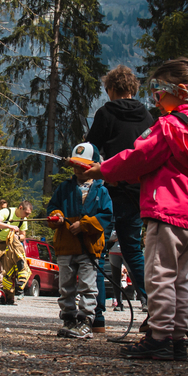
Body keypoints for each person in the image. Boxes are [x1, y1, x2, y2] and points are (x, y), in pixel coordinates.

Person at [83, 56, 188, 360]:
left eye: (159, 89)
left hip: (166, 213)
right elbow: (156, 166)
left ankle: (158, 337)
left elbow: (137, 156)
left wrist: (100, 170)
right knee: (180, 279)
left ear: (181, 91)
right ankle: (175, 338)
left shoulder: (170, 126)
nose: (155, 98)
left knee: (159, 274)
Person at [87, 64, 155, 312]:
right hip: (136, 193)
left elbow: (90, 150)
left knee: (97, 250)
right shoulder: (148, 117)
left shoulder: (106, 113)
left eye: (107, 89)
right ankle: (149, 302)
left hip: (108, 190)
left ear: (113, 88)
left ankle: (96, 311)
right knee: (132, 250)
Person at [47, 142, 114, 339]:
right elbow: (52, 208)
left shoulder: (102, 191)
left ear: (94, 167)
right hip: (65, 246)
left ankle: (85, 321)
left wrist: (85, 225)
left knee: (87, 285)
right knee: (65, 285)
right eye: (76, 165)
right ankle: (69, 319)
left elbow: (106, 215)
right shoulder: (64, 188)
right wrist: (57, 216)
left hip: (89, 248)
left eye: (84, 166)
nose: (79, 170)